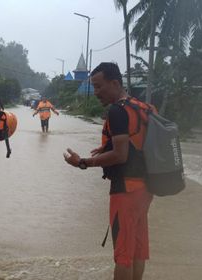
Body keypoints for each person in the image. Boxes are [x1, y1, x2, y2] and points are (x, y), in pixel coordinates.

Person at [63, 62, 153, 280]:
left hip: (125, 191)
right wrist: (108, 146)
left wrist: (83, 162)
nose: (96, 92)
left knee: (122, 254)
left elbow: (121, 156)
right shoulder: (143, 107)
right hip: (146, 189)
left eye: (98, 86)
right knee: (136, 250)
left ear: (114, 83)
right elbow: (138, 144)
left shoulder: (117, 111)